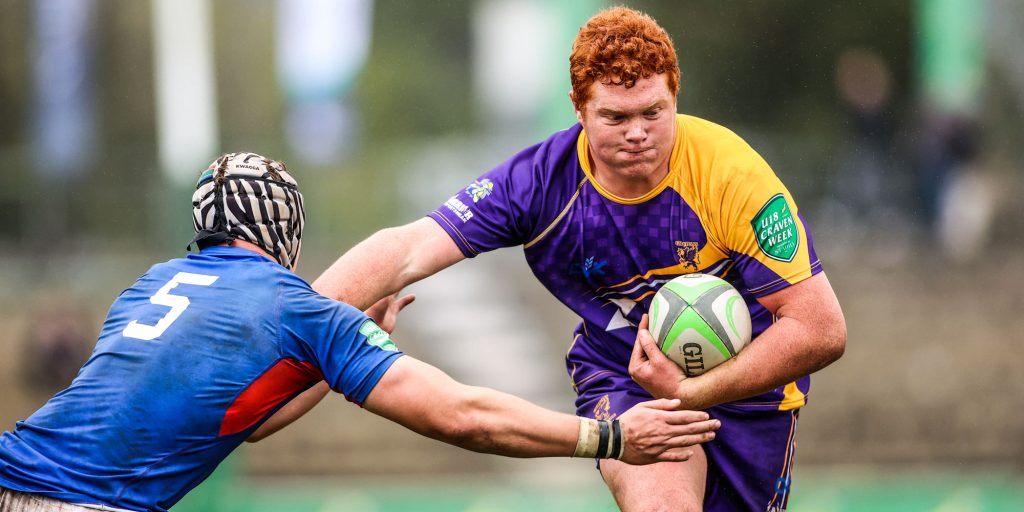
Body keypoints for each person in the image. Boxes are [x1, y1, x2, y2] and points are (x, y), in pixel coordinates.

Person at [313, 7, 846, 511]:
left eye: (652, 113)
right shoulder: (538, 183)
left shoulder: (732, 176)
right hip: (623, 373)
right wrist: (299, 312)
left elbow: (821, 328)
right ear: (578, 107)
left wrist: (691, 391)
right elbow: (409, 247)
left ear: (674, 97)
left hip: (749, 386)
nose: (637, 133)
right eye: (615, 117)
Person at [0, 152, 721, 512]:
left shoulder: (147, 286)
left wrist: (325, 359)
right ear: (284, 227)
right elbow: (459, 416)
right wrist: (612, 437)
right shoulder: (299, 308)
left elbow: (245, 418)